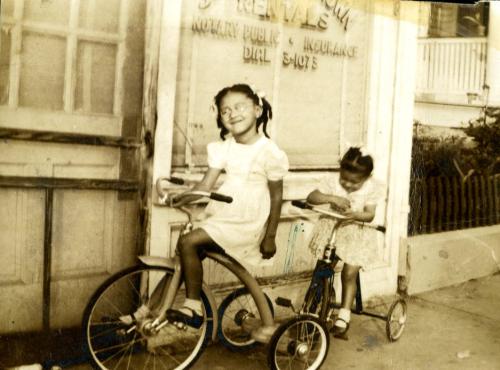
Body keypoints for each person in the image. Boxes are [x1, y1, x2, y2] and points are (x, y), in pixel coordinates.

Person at [121, 83, 289, 328]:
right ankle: (146, 311)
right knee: (183, 256)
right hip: (224, 213)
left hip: (246, 220)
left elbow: (276, 197)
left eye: (239, 107)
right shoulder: (224, 148)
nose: (232, 113)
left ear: (257, 109)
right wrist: (183, 197)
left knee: (188, 242)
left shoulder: (269, 152)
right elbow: (206, 185)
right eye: (225, 111)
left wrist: (270, 236)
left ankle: (193, 308)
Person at [306, 147, 385, 339]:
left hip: (357, 232)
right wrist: (331, 197)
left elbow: (370, 214)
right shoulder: (332, 181)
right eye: (344, 179)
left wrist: (357, 214)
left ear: (367, 178)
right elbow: (311, 198)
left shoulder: (373, 187)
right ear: (340, 171)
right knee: (322, 268)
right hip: (333, 229)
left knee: (349, 274)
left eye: (354, 183)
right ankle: (310, 310)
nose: (348, 185)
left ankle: (344, 315)